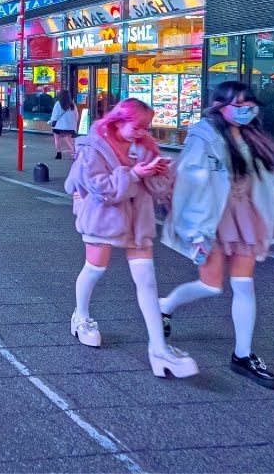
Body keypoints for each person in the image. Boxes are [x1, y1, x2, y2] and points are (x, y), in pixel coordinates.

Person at [160, 81, 274, 390]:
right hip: (210, 218)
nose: (246, 111)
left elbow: (263, 186)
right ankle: (165, 306)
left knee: (244, 285)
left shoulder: (255, 138)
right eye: (239, 106)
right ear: (220, 106)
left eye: (250, 105)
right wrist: (195, 230)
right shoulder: (203, 137)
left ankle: (243, 355)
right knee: (211, 285)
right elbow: (190, 183)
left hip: (244, 218)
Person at [64, 98, 196, 379]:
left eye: (146, 127)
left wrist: (163, 172)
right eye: (137, 127)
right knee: (95, 268)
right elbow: (100, 188)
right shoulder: (93, 147)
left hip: (138, 220)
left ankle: (159, 348)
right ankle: (81, 316)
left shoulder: (145, 145)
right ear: (118, 120)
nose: (142, 132)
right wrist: (134, 174)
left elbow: (158, 189)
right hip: (102, 218)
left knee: (147, 280)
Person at [49, 89, 80, 160]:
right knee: (68, 139)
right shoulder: (72, 104)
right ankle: (74, 153)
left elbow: (55, 115)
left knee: (57, 139)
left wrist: (51, 121)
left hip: (59, 126)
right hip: (69, 126)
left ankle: (58, 154)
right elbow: (76, 116)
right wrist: (74, 123)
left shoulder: (58, 103)